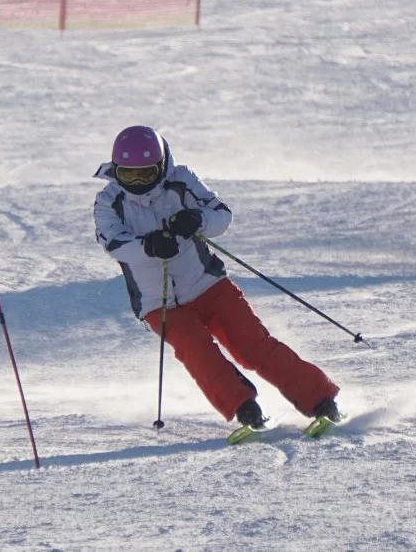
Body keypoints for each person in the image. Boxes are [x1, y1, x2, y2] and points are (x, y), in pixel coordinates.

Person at [92, 125, 341, 429]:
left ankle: (320, 400)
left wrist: (198, 219)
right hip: (159, 303)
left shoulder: (181, 180)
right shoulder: (109, 202)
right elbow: (114, 243)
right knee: (198, 353)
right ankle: (245, 409)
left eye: (146, 174)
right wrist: (149, 245)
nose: (139, 183)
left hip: (209, 285)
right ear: (116, 171)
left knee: (252, 346)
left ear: (162, 165)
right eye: (129, 176)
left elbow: (221, 214)